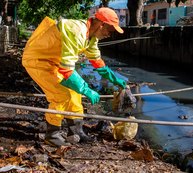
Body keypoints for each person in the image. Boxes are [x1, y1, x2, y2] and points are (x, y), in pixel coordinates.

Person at [22, 7, 126, 147]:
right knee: (61, 95)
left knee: (75, 94)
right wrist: (86, 89)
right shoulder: (76, 31)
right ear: (102, 24)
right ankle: (52, 135)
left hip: (54, 62)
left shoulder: (91, 37)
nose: (110, 34)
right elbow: (66, 70)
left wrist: (114, 79)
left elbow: (96, 60)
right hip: (38, 60)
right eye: (110, 30)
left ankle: (76, 132)